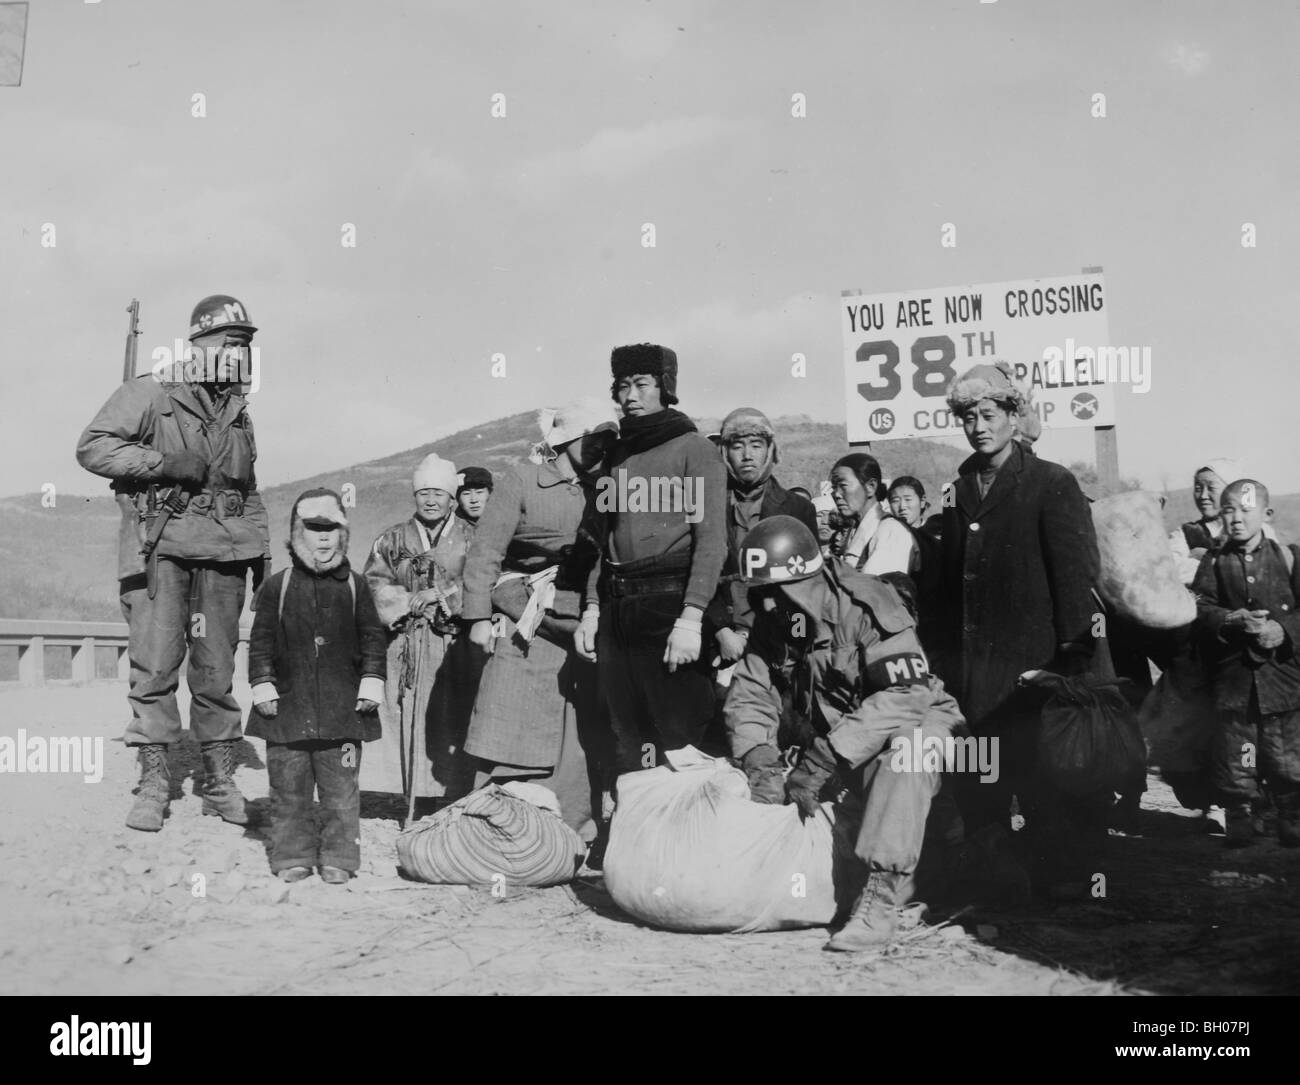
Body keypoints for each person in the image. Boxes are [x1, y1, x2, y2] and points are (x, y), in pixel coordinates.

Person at [723, 516, 965, 950]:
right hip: (847, 746)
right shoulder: (776, 620)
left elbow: (906, 695)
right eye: (757, 594)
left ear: (806, 581)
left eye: (774, 593)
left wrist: (824, 757)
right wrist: (758, 756)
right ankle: (929, 862)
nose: (765, 606)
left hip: (917, 722)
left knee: (909, 754)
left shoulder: (869, 604)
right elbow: (751, 693)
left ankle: (882, 902)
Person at [76, 294, 271, 832]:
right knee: (156, 666)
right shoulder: (149, 393)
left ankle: (219, 780)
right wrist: (161, 463)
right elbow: (93, 447)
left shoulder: (238, 411)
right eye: (232, 343)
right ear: (200, 345)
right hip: (160, 551)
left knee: (216, 672)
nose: (241, 353)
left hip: (224, 556)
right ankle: (156, 780)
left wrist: (263, 554)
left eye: (247, 345)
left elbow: (247, 489)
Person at [935, 361, 1102, 896]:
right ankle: (993, 872)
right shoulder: (959, 490)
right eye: (968, 416)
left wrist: (1070, 660)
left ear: (1013, 414)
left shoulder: (1052, 483)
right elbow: (945, 586)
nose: (979, 426)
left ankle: (1065, 875)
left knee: (1040, 776)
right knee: (979, 773)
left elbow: (1076, 576)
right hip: (972, 666)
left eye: (989, 413)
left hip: (1035, 663)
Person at [461, 398, 618, 840]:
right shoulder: (523, 478)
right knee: (509, 704)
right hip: (523, 611)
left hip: (580, 612)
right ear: (567, 439)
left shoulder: (603, 486)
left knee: (576, 719)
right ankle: (500, 823)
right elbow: (487, 548)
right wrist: (476, 616)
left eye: (607, 439)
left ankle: (571, 828)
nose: (600, 446)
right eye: (593, 437)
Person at [576, 343, 728, 775]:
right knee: (628, 736)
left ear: (665, 389)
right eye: (622, 387)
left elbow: (711, 541)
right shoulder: (618, 454)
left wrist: (691, 618)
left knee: (678, 738)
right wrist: (591, 608)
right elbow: (600, 539)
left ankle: (684, 841)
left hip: (669, 606)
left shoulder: (694, 449)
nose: (630, 396)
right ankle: (634, 839)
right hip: (618, 608)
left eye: (642, 385)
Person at [247, 490, 386, 883]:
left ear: (343, 535)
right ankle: (293, 855)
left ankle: (339, 858)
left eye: (332, 529)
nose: (323, 538)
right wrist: (263, 684)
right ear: (296, 533)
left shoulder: (356, 587)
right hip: (286, 711)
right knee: (288, 787)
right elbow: (260, 642)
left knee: (341, 790)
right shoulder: (278, 586)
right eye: (314, 528)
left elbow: (373, 639)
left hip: (344, 714)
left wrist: (372, 681)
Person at [360, 453, 478, 815]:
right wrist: (409, 601)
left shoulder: (473, 536)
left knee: (454, 717)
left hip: (455, 643)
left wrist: (443, 595)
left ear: (451, 499)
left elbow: (484, 578)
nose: (430, 500)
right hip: (406, 642)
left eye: (438, 494)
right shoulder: (392, 538)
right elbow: (374, 583)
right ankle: (416, 801)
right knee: (409, 717)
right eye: (423, 493)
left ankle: (455, 801)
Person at [1191, 478, 1300, 848]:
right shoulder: (1214, 561)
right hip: (1234, 683)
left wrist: (1283, 630)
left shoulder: (1289, 557)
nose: (1236, 518)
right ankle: (1241, 813)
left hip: (1282, 683)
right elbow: (1200, 608)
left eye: (1245, 509)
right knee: (1239, 754)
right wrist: (1228, 620)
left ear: (1266, 514)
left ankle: (1291, 815)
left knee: (1286, 754)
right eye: (1228, 510)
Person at [706, 408, 818, 670]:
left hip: (782, 644)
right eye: (737, 446)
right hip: (724, 644)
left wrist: (798, 640)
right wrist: (721, 630)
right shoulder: (707, 507)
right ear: (724, 453)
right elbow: (698, 573)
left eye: (756, 445)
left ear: (770, 451)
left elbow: (809, 588)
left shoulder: (798, 509)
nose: (747, 456)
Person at [828, 453, 916, 575]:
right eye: (834, 488)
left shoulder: (891, 531)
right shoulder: (853, 531)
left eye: (843, 486)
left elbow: (879, 591)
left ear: (870, 487)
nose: (836, 494)